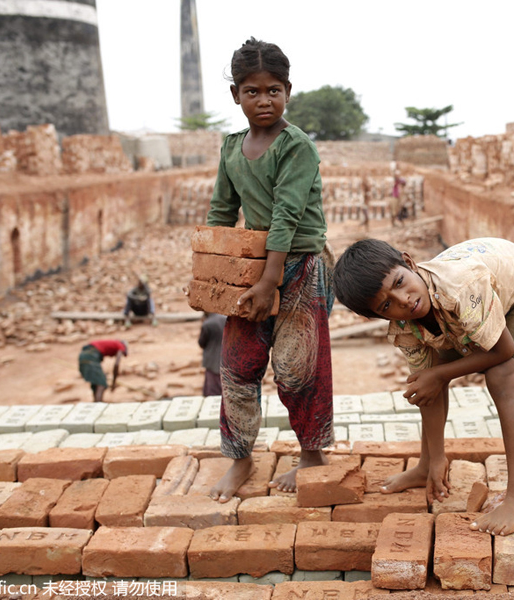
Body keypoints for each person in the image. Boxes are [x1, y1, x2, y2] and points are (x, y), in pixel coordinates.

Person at [333, 237, 514, 536]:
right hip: (474, 304)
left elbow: (502, 350)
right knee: (427, 378)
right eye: (387, 305)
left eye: (400, 282)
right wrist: (437, 457)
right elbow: (427, 387)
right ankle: (426, 466)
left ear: (409, 262)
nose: (404, 300)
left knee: (500, 374)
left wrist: (440, 375)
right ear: (376, 316)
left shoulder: (461, 288)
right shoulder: (404, 326)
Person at [205, 38, 335, 501]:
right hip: (252, 268)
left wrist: (269, 279)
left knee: (298, 367)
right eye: (253, 91)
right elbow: (222, 211)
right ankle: (240, 459)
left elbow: (287, 213)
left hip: (298, 265)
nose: (265, 100)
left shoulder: (296, 146)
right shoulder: (232, 147)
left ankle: (312, 456)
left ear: (288, 90)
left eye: (274, 90)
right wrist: (212, 275)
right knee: (237, 367)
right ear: (236, 95)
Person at [198, 312, 227, 397]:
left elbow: (201, 343)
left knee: (212, 393)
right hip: (227, 360)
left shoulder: (207, 324)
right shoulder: (226, 319)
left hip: (212, 362)